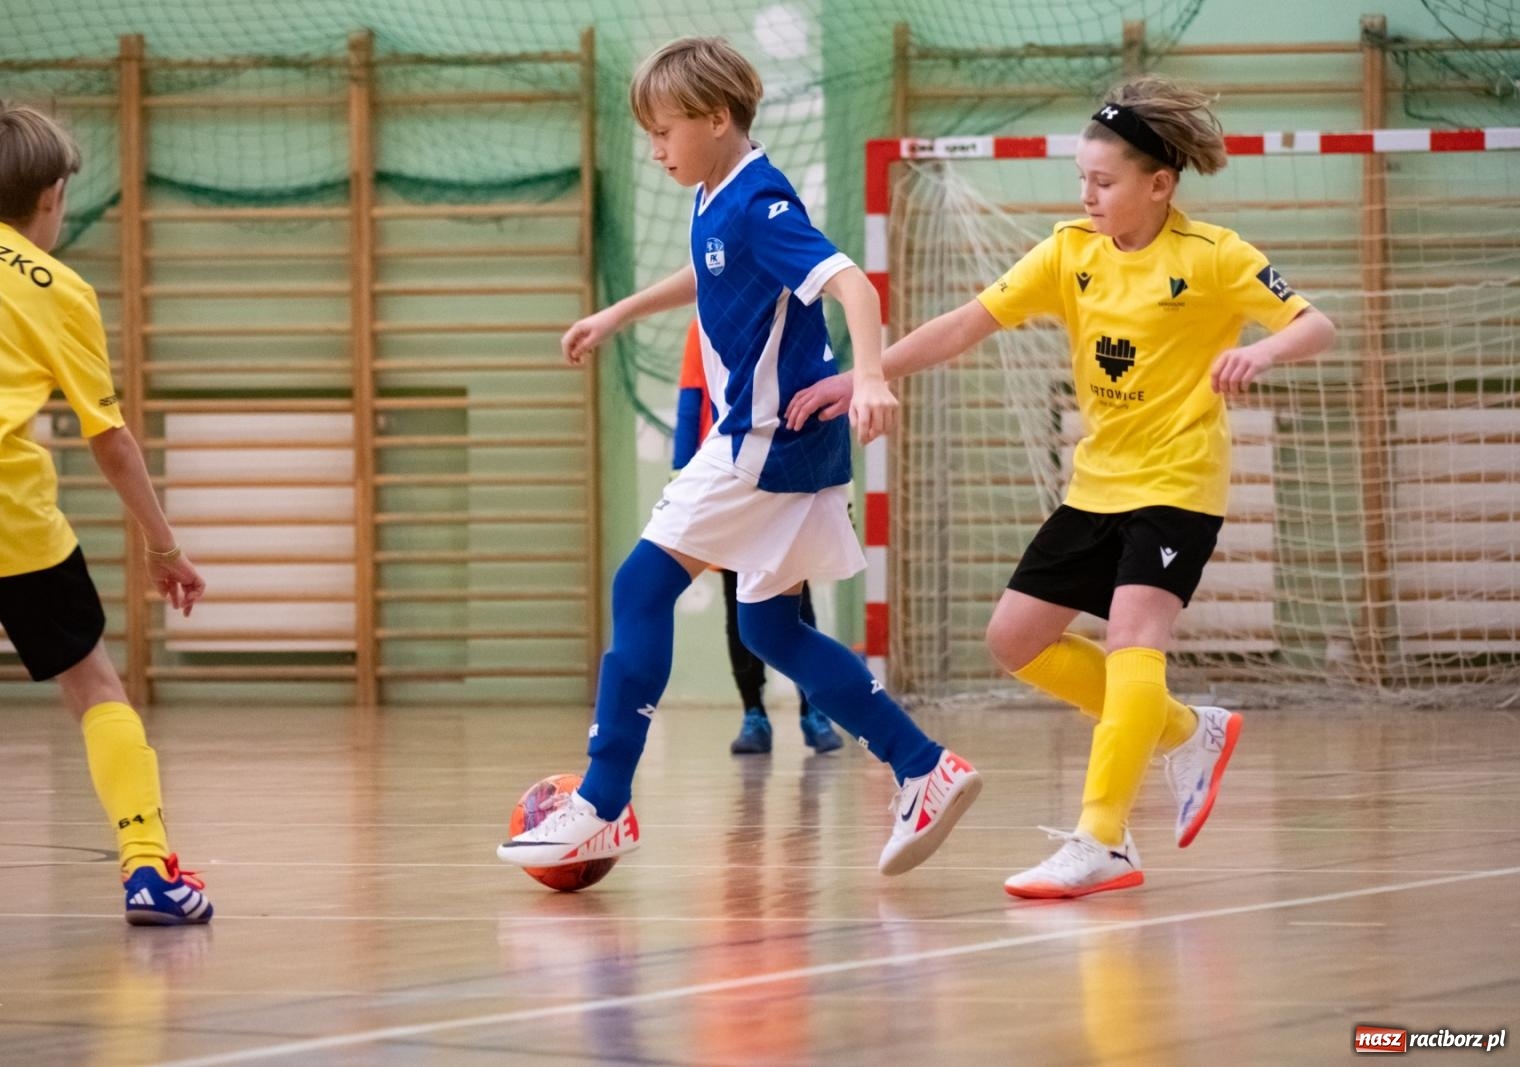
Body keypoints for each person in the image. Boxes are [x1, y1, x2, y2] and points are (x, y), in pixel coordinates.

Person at [786, 75, 1335, 898]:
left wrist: (1261, 352)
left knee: (1133, 640)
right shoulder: (1068, 253)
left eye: (1104, 182)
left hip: (1178, 485)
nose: (1087, 194)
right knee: (1013, 641)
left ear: (1159, 184)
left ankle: (1103, 840)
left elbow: (1314, 323)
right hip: (1096, 485)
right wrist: (861, 371)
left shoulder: (1215, 258)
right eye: (1081, 177)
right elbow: (963, 325)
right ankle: (1189, 730)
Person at [499, 37, 980, 877]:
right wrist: (618, 312)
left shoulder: (761, 203)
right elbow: (708, 273)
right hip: (785, 443)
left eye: (664, 132)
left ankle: (602, 804)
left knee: (640, 585)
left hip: (765, 440)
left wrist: (869, 375)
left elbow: (853, 287)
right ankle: (922, 765)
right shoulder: (715, 194)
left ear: (717, 119)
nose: (655, 151)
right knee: (768, 627)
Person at [0, 99, 213, 924]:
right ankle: (149, 868)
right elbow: (110, 439)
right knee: (92, 681)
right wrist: (165, 548)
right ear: (49, 197)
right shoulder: (57, 287)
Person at [671, 319, 843, 755]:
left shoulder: (789, 316)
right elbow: (691, 399)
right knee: (736, 602)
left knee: (794, 599)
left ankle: (813, 709)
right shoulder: (705, 322)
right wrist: (681, 474)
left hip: (783, 470)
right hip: (728, 474)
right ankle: (754, 714)